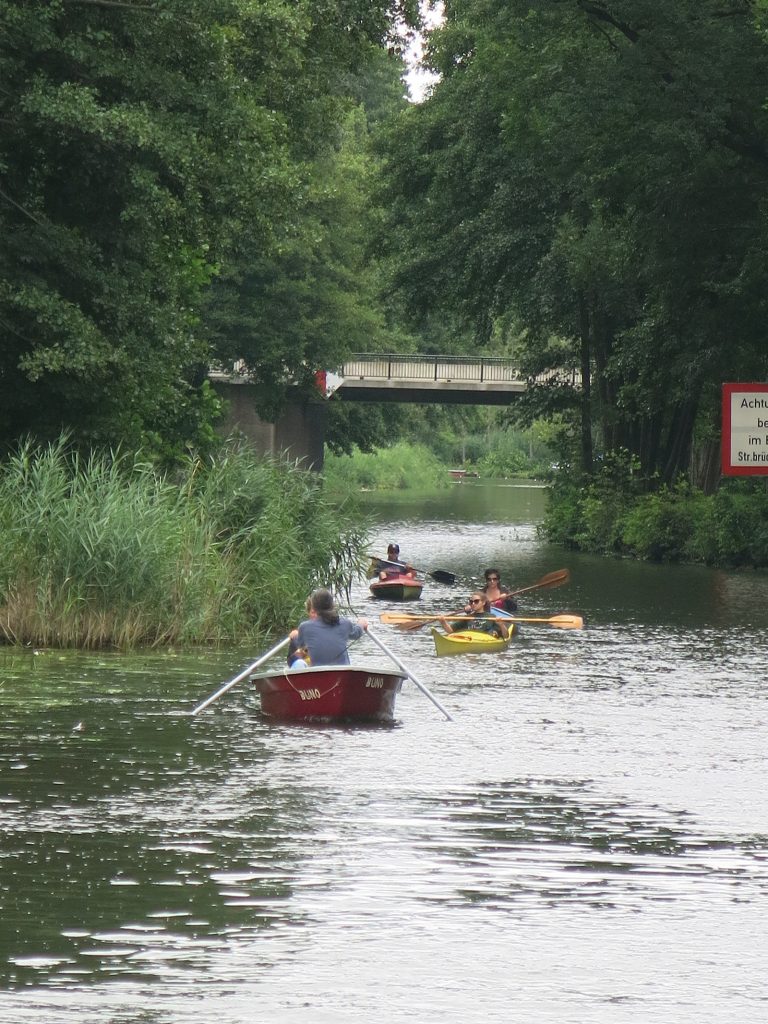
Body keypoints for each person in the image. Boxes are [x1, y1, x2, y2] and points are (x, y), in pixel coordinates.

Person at [290, 588, 369, 666]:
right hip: (342, 671)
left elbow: (300, 645)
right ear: (332, 605)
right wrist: (361, 624)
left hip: (317, 673)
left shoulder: (304, 627)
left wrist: (295, 636)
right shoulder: (345, 623)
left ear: (313, 607)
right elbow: (357, 633)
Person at [440, 592, 509, 638]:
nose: (473, 604)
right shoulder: (467, 618)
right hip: (470, 639)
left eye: (476, 601)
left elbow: (506, 636)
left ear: (483, 602)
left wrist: (501, 625)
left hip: (485, 640)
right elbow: (450, 630)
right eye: (471, 602)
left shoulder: (492, 617)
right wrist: (443, 621)